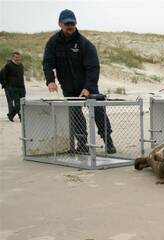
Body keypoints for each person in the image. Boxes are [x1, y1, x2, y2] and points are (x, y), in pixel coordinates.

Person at [43, 9, 116, 154]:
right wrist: (50, 80)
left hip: (88, 87)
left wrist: (88, 87)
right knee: (75, 114)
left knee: (99, 111)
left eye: (72, 23)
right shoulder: (53, 43)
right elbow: (47, 63)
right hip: (69, 88)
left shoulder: (85, 44)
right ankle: (82, 144)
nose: (70, 26)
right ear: (60, 24)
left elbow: (93, 67)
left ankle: (108, 141)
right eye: (67, 23)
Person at [2, 53, 26, 122]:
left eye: (18, 57)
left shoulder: (21, 65)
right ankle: (16, 116)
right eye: (16, 57)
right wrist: (6, 84)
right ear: (13, 57)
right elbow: (4, 75)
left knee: (23, 103)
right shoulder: (8, 65)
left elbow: (21, 76)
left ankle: (13, 115)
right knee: (17, 104)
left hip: (21, 87)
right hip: (13, 87)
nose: (17, 58)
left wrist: (23, 86)